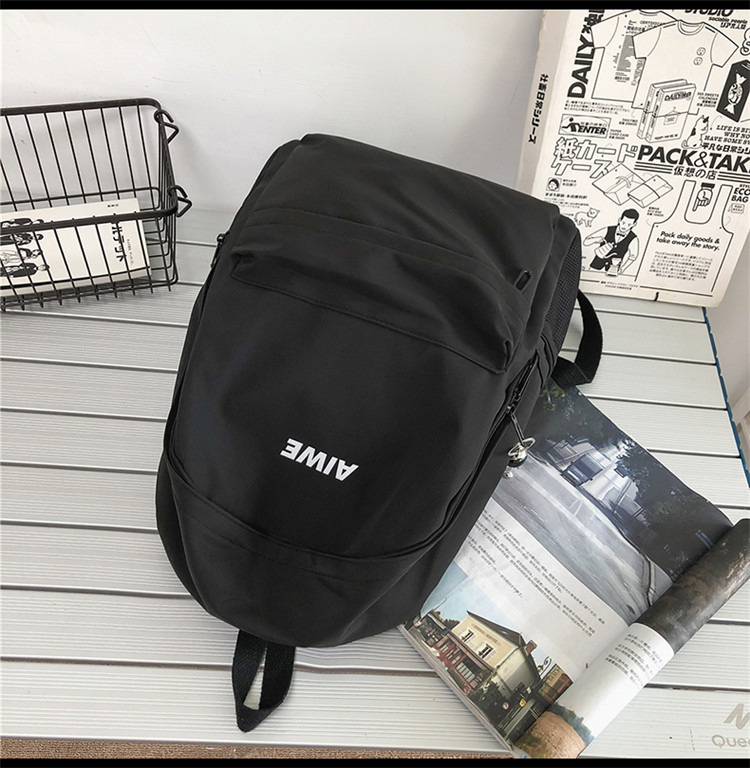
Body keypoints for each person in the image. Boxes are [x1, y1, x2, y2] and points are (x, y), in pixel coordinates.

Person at [584, 209, 640, 275]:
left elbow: (633, 256)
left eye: (629, 224)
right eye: (623, 223)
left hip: (614, 269)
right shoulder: (608, 229)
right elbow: (586, 242)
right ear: (619, 220)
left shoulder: (633, 238)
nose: (625, 226)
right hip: (596, 265)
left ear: (634, 224)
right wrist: (595, 240)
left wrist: (622, 268)